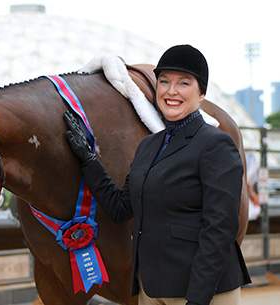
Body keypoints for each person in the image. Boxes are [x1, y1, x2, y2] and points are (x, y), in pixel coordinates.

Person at [64, 44, 251, 305]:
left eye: (183, 83)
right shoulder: (149, 146)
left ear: (201, 94)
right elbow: (120, 208)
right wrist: (88, 159)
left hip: (203, 291)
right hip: (151, 288)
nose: (171, 91)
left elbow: (220, 229)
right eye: (164, 82)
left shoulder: (215, 144)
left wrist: (197, 299)